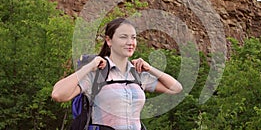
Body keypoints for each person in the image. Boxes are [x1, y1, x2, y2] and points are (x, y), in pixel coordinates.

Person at [51, 18, 183, 130]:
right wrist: (89, 66)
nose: (130, 42)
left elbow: (176, 88)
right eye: (123, 37)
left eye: (133, 37)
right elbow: (58, 95)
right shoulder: (97, 74)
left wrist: (150, 69)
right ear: (109, 41)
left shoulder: (137, 75)